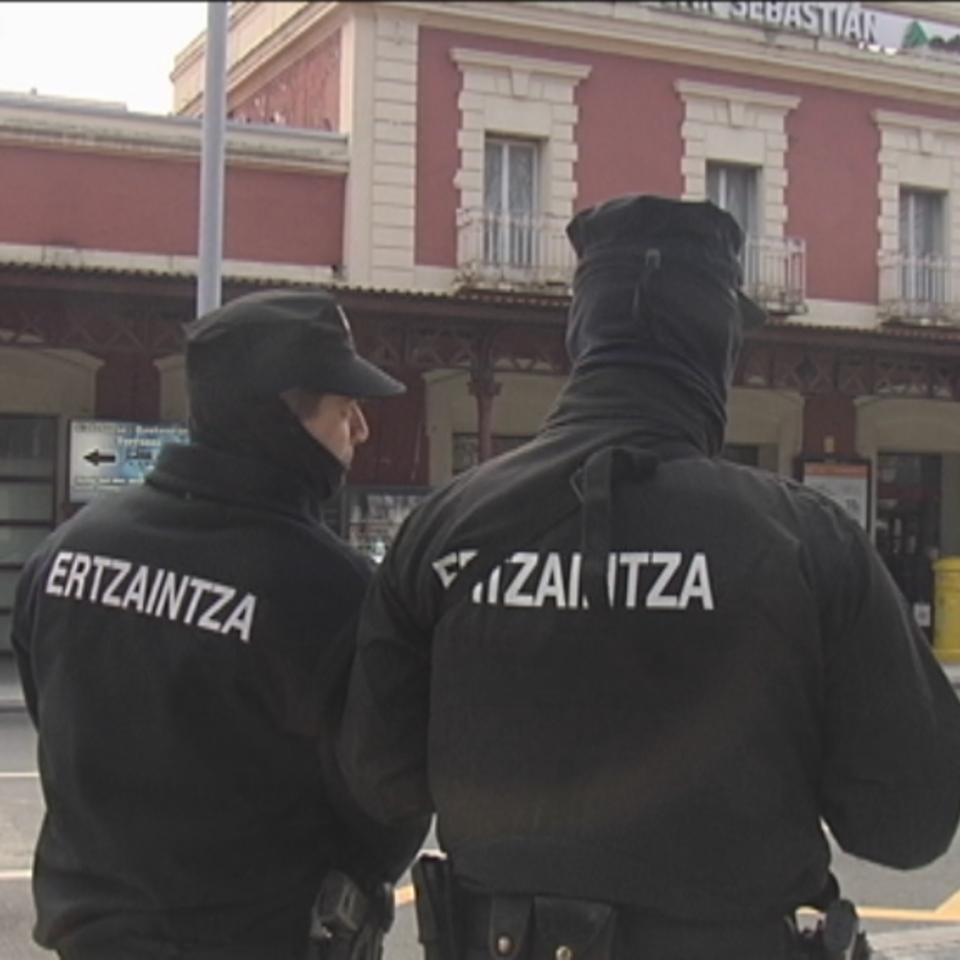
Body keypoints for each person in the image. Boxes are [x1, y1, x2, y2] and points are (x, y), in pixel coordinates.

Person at [335, 196, 960, 960]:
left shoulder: (443, 529)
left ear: (582, 333)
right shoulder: (804, 540)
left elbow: (383, 778)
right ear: (720, 345)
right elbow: (906, 823)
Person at [12, 288, 429, 960]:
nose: (361, 430)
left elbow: (53, 712)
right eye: (345, 407)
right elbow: (386, 798)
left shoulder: (67, 550)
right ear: (282, 417)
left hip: (88, 936)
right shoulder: (326, 588)